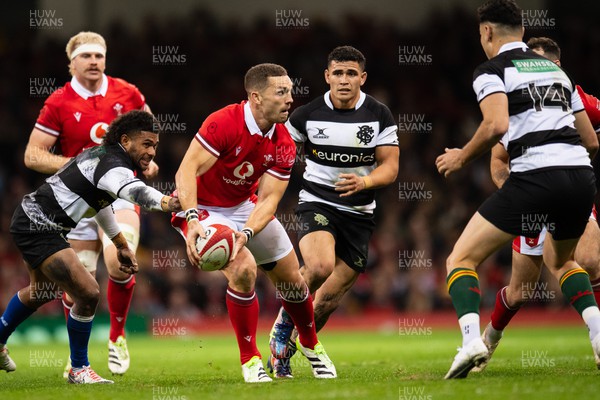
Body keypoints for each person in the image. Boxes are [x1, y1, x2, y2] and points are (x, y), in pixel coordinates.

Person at [435, 0, 600, 379]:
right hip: (579, 178)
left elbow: (495, 125)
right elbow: (590, 141)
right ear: (522, 31)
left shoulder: (491, 70)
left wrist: (461, 157)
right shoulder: (560, 74)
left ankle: (471, 341)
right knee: (562, 262)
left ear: (487, 32)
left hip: (534, 177)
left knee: (460, 259)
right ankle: (597, 333)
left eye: (481, 34)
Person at [173, 63, 337, 383]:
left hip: (244, 207)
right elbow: (185, 171)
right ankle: (250, 360)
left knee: (293, 282)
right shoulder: (223, 123)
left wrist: (245, 232)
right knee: (244, 270)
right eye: (281, 92)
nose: (291, 98)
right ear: (256, 97)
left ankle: (310, 343)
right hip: (203, 208)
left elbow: (269, 200)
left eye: (290, 90)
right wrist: (192, 220)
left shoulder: (285, 142)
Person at [0, 110, 180, 384]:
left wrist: (120, 243)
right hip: (39, 225)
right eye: (146, 144)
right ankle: (78, 369)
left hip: (33, 219)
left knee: (40, 292)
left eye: (155, 145)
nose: (152, 151)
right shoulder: (114, 166)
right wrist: (168, 202)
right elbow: (136, 192)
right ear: (126, 140)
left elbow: (100, 204)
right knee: (88, 293)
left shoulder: (102, 156)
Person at [24, 31, 157, 375]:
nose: (94, 61)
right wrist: (79, 166)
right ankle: (78, 360)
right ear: (71, 63)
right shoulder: (58, 102)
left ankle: (116, 336)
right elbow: (33, 155)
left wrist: (147, 160)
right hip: (78, 205)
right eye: (86, 56)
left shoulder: (128, 93)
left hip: (119, 194)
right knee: (77, 286)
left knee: (119, 263)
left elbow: (149, 134)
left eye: (99, 55)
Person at [267, 45, 399, 378]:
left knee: (326, 301)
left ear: (362, 78)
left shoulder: (379, 114)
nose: (343, 80)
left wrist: (365, 182)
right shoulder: (305, 115)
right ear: (327, 76)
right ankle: (282, 328)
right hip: (317, 203)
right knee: (320, 266)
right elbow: (278, 153)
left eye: (351, 73)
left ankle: (289, 348)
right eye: (337, 73)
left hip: (359, 213)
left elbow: (390, 167)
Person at [475, 36, 600, 372]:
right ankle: (489, 339)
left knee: (590, 260)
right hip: (531, 201)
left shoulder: (583, 102)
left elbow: (592, 141)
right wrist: (517, 191)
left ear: (557, 68)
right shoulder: (515, 104)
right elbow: (498, 160)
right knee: (520, 292)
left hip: (571, 192)